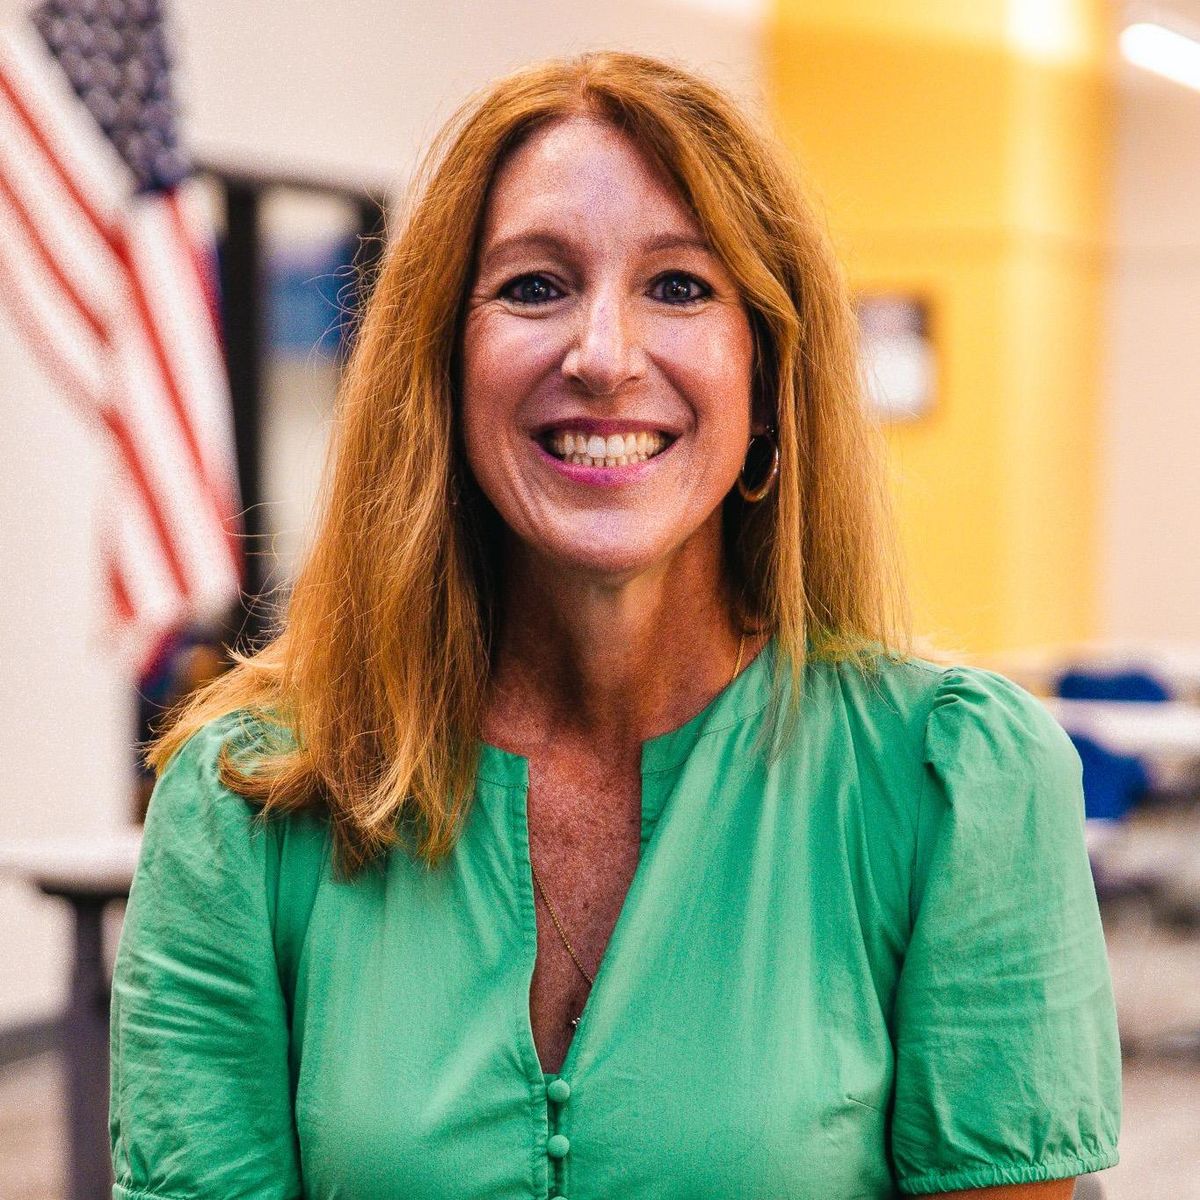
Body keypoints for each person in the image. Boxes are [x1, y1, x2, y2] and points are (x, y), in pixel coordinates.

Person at [108, 50, 1121, 1200]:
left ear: (767, 380)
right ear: (442, 368)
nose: (601, 355)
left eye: (679, 287)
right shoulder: (248, 804)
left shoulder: (948, 785)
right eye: (534, 286)